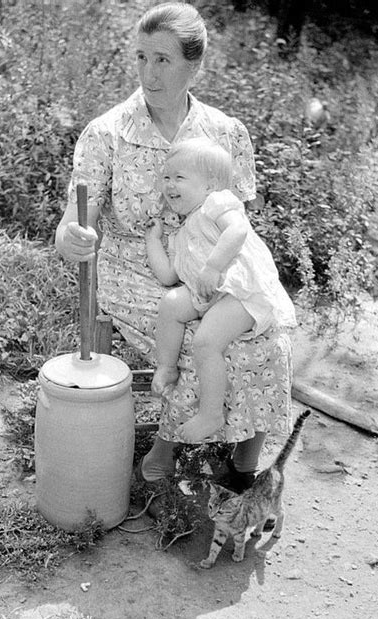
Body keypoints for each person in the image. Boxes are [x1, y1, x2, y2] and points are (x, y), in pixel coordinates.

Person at [55, 2, 294, 494]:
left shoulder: (226, 133)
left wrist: (235, 278)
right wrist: (74, 239)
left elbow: (237, 220)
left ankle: (244, 459)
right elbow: (72, 225)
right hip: (138, 267)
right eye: (141, 57)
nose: (148, 72)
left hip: (213, 265)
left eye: (162, 59)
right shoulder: (108, 133)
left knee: (267, 331)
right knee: (192, 339)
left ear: (194, 64)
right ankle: (168, 444)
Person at [145, 137, 296, 444]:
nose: (169, 185)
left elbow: (238, 229)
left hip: (242, 293)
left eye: (179, 177)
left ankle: (210, 413)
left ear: (210, 185)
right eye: (166, 177)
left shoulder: (217, 204)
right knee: (171, 304)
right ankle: (167, 367)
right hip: (211, 295)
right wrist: (153, 239)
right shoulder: (183, 231)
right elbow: (168, 274)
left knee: (205, 342)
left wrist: (213, 266)